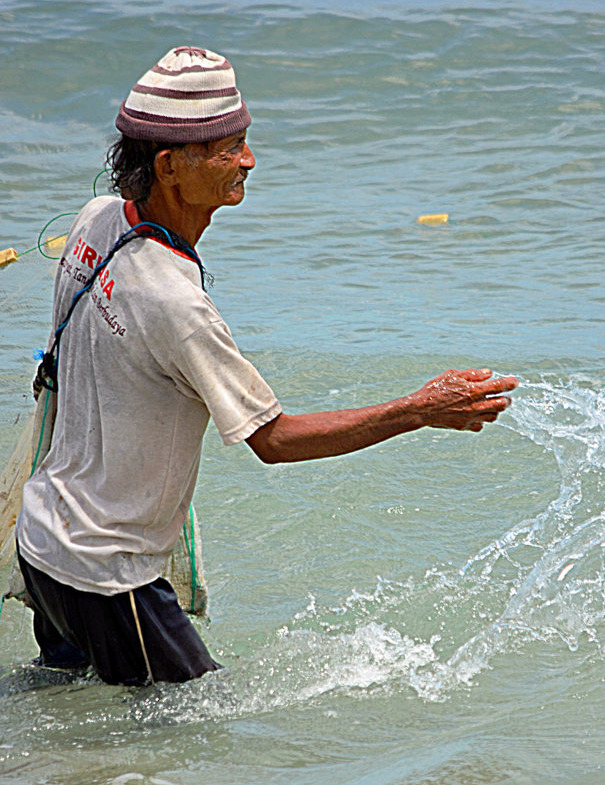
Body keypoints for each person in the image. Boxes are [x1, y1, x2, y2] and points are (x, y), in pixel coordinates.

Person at [15, 47, 518, 686]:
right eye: (228, 149)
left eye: (245, 141)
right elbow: (274, 441)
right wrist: (416, 411)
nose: (248, 160)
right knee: (193, 724)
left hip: (44, 542)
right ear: (169, 166)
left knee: (65, 705)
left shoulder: (96, 221)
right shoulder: (176, 304)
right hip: (106, 574)